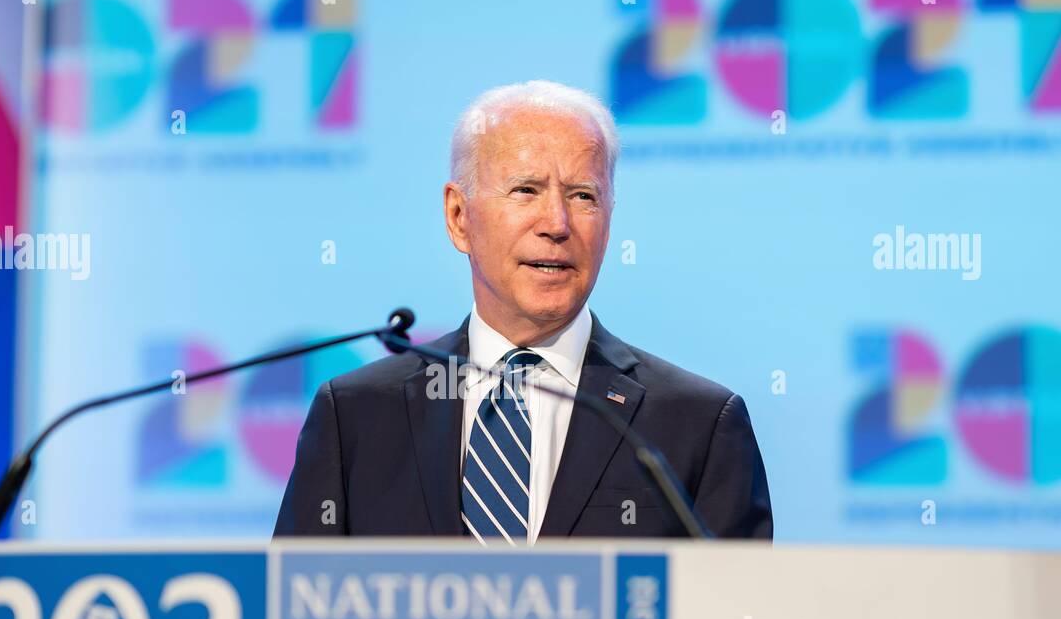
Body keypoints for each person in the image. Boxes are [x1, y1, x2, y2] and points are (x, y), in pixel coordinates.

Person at [274, 80, 772, 542]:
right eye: (526, 190)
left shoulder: (698, 424)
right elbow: (288, 617)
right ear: (458, 216)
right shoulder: (358, 416)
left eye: (583, 196)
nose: (557, 224)